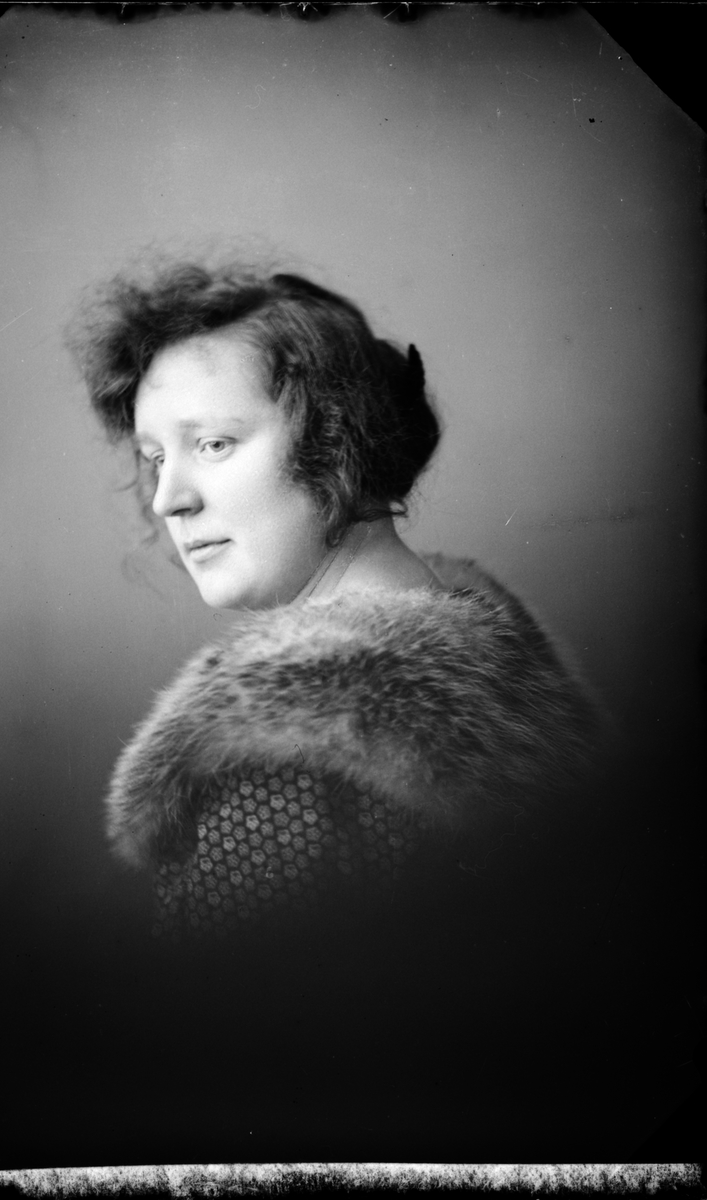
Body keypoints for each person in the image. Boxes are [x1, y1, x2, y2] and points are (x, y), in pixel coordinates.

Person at [67, 262, 603, 1159]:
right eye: (155, 457)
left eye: (214, 444)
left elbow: (236, 1089)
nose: (168, 498)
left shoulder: (275, 757)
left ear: (338, 439)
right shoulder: (490, 650)